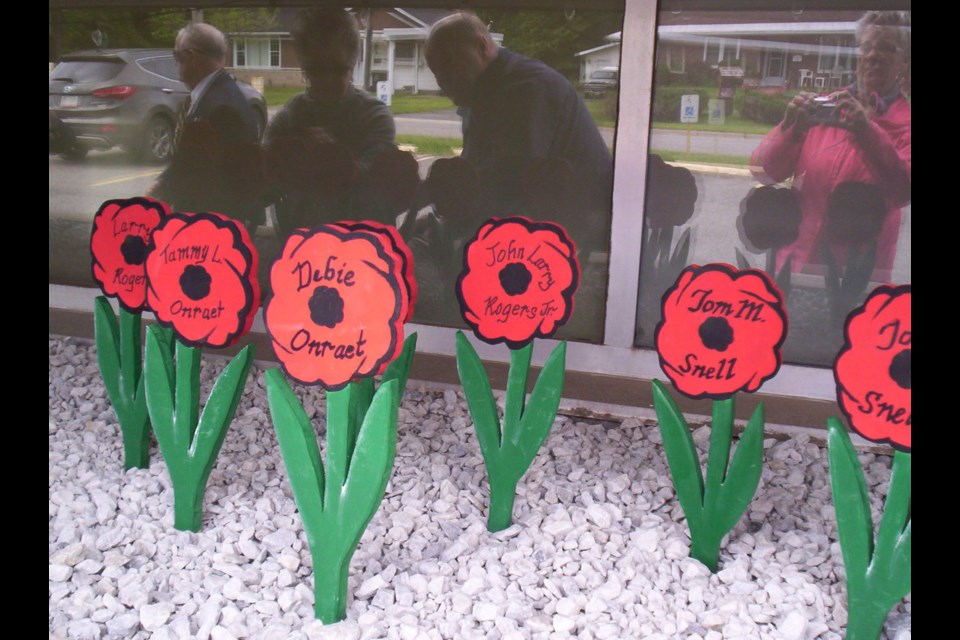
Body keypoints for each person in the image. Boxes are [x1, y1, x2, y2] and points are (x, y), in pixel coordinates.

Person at [423, 12, 614, 256]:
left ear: (481, 47)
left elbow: (506, 187)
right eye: (435, 70)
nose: (441, 79)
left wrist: (448, 227)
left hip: (586, 242)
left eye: (449, 64)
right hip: (549, 231)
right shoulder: (481, 93)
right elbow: (477, 177)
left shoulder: (527, 90)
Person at [749, 10, 910, 283]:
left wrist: (867, 131)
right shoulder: (827, 107)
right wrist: (791, 129)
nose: (873, 56)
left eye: (886, 49)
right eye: (867, 47)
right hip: (793, 267)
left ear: (904, 62)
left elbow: (904, 189)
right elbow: (763, 171)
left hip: (855, 278)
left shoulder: (905, 122)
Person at [263, 7, 399, 236]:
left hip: (362, 241)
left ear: (353, 63)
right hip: (301, 241)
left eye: (337, 69)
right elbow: (263, 174)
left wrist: (332, 158)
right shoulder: (291, 115)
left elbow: (374, 177)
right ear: (303, 67)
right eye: (316, 70)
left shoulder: (375, 116)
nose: (327, 80)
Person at [146, 22, 263, 231]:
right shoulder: (212, 97)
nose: (176, 64)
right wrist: (162, 183)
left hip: (214, 230)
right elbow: (189, 160)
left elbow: (221, 181)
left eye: (177, 56)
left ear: (192, 56)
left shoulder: (222, 108)